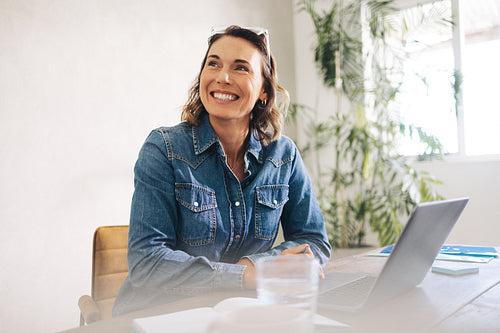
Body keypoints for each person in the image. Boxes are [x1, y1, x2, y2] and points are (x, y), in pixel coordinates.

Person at [113, 25, 331, 316]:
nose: (222, 77)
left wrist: (256, 266)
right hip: (162, 315)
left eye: (241, 68)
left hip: (240, 313)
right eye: (213, 64)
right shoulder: (164, 148)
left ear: (264, 92)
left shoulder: (283, 155)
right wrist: (250, 276)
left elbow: (314, 241)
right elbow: (147, 263)